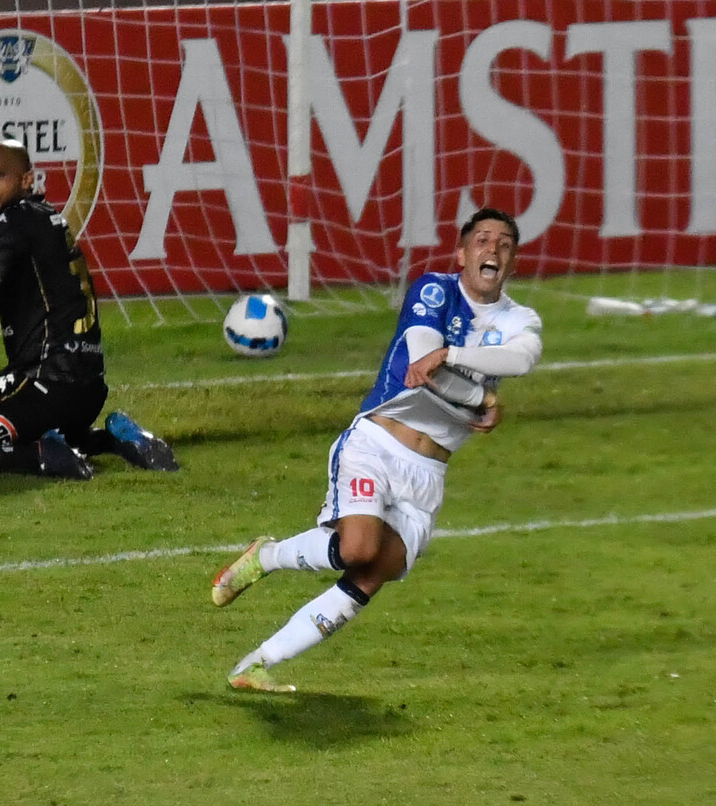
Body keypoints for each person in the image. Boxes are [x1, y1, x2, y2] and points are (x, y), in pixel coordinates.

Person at [211, 207, 542, 692]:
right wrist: (481, 396)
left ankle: (256, 664)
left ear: (511, 263)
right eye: (482, 240)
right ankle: (268, 557)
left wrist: (453, 355)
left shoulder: (520, 318)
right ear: (462, 253)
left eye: (504, 244)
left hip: (428, 476)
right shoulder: (435, 290)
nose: (492, 249)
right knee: (359, 548)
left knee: (373, 573)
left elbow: (521, 358)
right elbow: (420, 367)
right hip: (377, 444)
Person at [0, 139, 177, 479]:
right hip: (88, 393)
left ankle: (38, 456)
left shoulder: (13, 223)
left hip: (41, 391)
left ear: (27, 181)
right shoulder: (50, 218)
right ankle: (108, 438)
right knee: (44, 429)